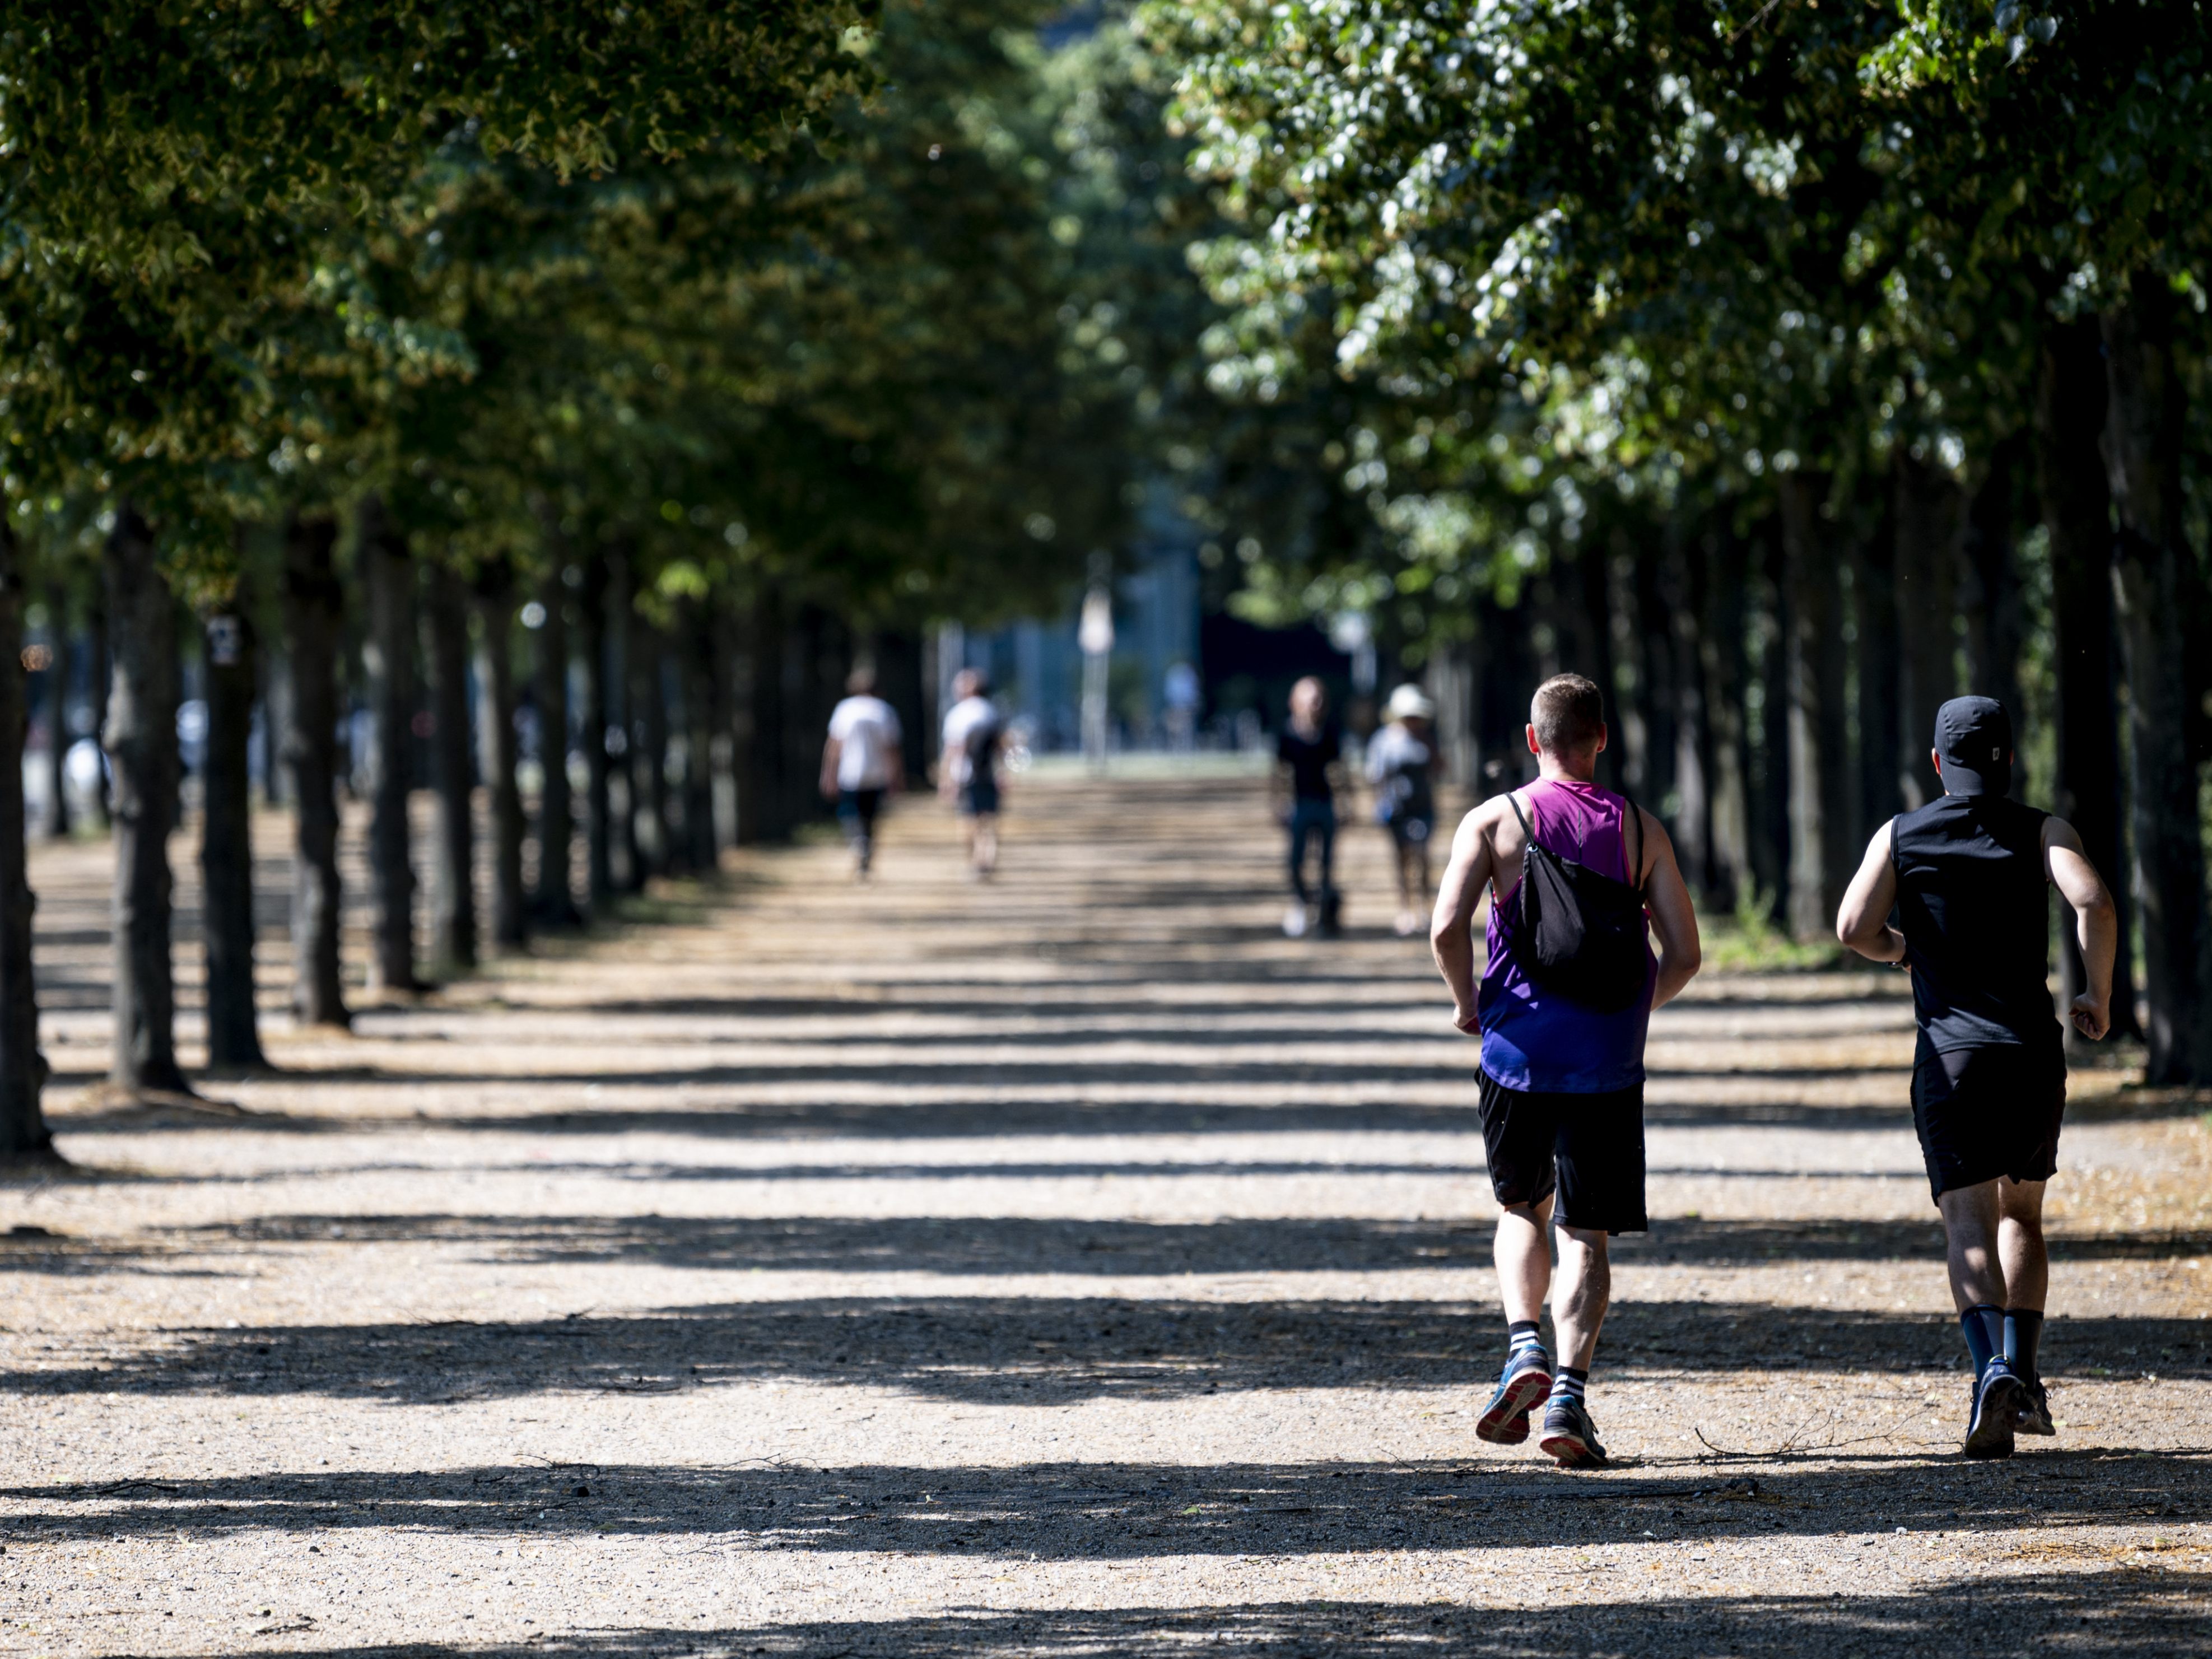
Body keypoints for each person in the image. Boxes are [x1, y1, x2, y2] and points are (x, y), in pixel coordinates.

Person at [1430, 673, 1702, 1467]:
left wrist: (1467, 1003)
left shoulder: (1493, 821)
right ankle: (1570, 1402)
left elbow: (1447, 925)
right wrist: (1632, 1010)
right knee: (1585, 1234)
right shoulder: (1642, 830)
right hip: (1607, 1063)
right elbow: (1684, 952)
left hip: (1516, 1052)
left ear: (1531, 738)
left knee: (1521, 1209)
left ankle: (1523, 1349)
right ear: (1601, 739)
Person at [1837, 696, 2115, 1460]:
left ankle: (1989, 1366)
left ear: (1937, 763)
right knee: (2022, 1214)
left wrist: (1902, 951)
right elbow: (2090, 897)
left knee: (1967, 1220)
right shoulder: (2043, 829)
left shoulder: (1901, 833)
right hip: (2030, 1053)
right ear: (2009, 759)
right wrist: (2096, 992)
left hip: (1952, 1057)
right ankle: (2024, 1375)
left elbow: (1851, 927)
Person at [1272, 677, 1343, 937]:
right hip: (1299, 804)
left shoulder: (1330, 732)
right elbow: (1280, 772)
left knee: (1326, 863)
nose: (1317, 704)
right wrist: (1277, 803)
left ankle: (1324, 913)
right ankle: (1301, 903)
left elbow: (1338, 770)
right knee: (1295, 861)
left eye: (1319, 699)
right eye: (1311, 699)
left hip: (1325, 804)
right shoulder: (1287, 734)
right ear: (1296, 703)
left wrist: (1347, 802)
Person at [1368, 684, 1441, 936]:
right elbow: (1376, 776)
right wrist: (1380, 805)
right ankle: (1404, 909)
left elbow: (1439, 768)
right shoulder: (1384, 741)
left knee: (1421, 857)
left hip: (1423, 808)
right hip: (1396, 811)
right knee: (1401, 860)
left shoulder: (1427, 739)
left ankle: (1423, 908)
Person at [819, 667, 904, 879]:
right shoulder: (884, 711)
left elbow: (834, 746)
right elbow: (892, 748)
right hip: (877, 773)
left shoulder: (844, 709)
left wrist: (829, 774)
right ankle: (866, 847)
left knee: (849, 812)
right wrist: (896, 776)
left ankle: (858, 842)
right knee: (871, 815)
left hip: (850, 773)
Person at [939, 668, 1005, 878]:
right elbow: (1000, 747)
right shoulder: (991, 711)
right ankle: (987, 858)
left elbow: (951, 750)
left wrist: (946, 779)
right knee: (988, 819)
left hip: (964, 775)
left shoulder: (957, 714)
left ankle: (976, 861)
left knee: (969, 819)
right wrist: (1004, 773)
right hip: (988, 774)